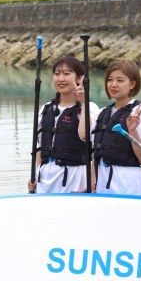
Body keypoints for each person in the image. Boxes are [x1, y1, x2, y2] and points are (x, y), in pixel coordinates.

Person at [27, 55, 100, 194]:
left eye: (67, 74)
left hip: (75, 178)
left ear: (79, 78)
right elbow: (40, 147)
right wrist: (35, 175)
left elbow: (84, 136)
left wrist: (83, 102)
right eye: (57, 74)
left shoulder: (90, 108)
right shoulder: (46, 109)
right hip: (46, 177)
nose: (61, 79)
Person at [92, 59, 141, 195]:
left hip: (128, 183)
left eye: (120, 80)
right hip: (102, 183)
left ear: (132, 84)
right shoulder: (102, 113)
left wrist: (132, 131)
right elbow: (97, 155)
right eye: (110, 80)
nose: (113, 84)